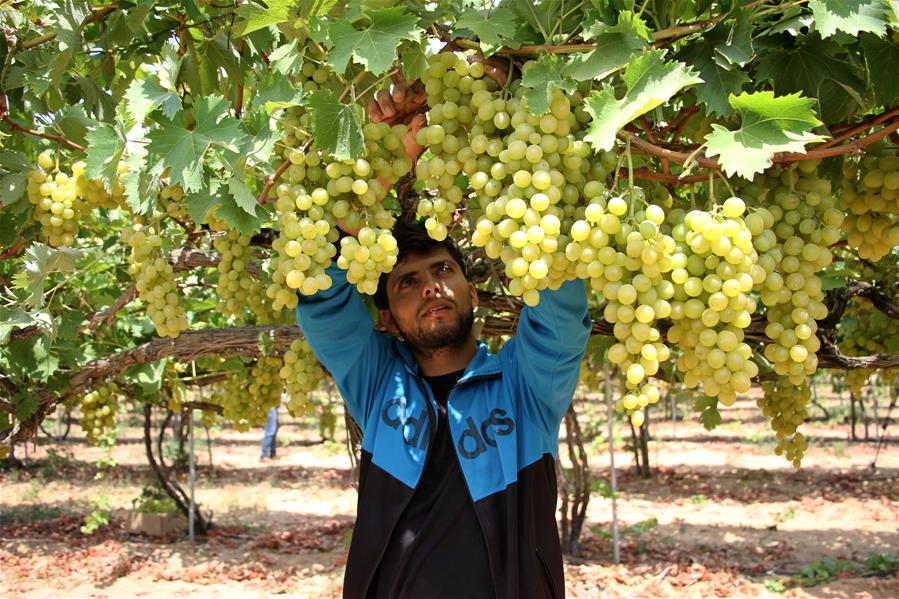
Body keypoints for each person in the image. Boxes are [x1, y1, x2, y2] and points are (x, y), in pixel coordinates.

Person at [295, 68, 591, 599]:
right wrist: (377, 180)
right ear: (386, 317)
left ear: (472, 292)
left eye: (442, 271)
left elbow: (561, 303)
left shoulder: (526, 389)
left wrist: (506, 121)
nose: (431, 287)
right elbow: (321, 301)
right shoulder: (378, 385)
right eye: (407, 282)